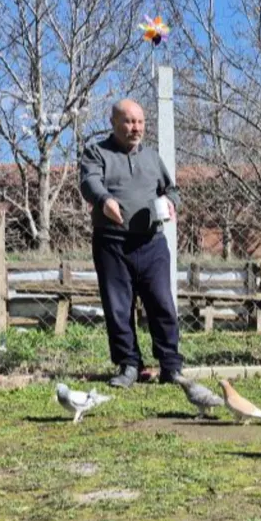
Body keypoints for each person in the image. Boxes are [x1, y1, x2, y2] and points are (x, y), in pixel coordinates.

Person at [78, 99, 182, 387]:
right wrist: (104, 200)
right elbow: (89, 182)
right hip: (112, 243)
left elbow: (171, 189)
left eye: (140, 122)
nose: (135, 128)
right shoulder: (96, 152)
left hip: (151, 243)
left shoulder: (151, 157)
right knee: (118, 307)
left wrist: (171, 203)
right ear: (113, 123)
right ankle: (129, 365)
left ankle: (171, 365)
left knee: (162, 303)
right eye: (129, 122)